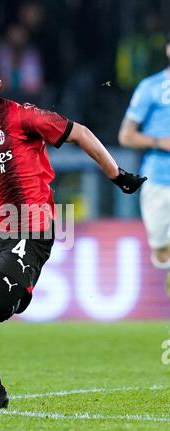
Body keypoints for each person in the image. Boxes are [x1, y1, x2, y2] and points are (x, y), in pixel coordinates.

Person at [0, 53, 146, 410]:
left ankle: (20, 290)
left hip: (31, 224)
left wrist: (116, 174)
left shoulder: (20, 116)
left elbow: (81, 133)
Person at [118, 35, 170, 294]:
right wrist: (161, 142)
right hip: (159, 180)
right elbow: (126, 135)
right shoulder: (151, 87)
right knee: (162, 251)